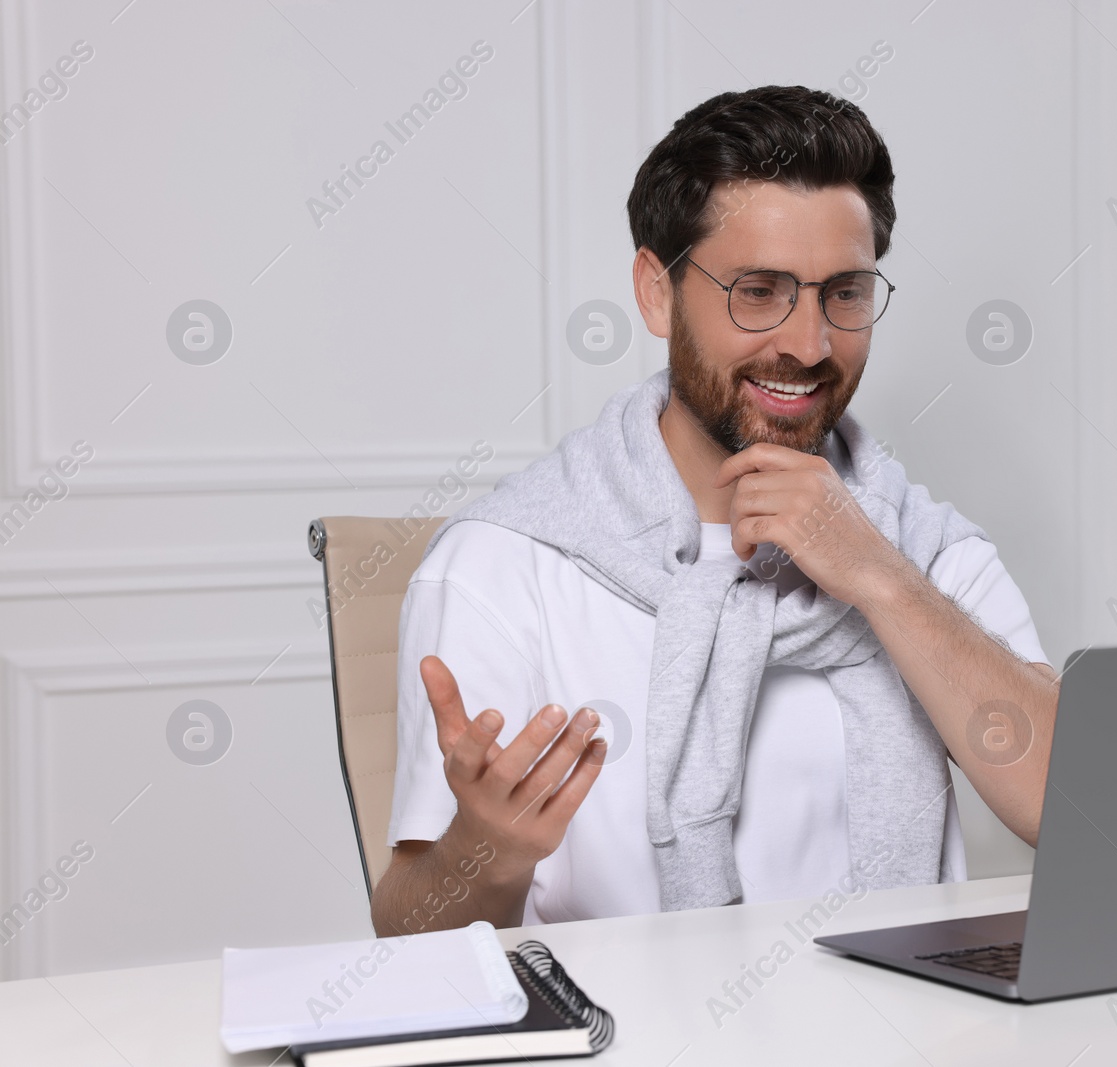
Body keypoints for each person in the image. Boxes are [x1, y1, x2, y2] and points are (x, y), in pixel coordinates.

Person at [371, 85, 1058, 936]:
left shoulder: (923, 547)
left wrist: (878, 575)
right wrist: (488, 848)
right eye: (758, 291)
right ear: (657, 293)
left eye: (843, 293)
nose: (808, 344)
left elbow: (1076, 808)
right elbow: (407, 941)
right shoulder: (503, 568)